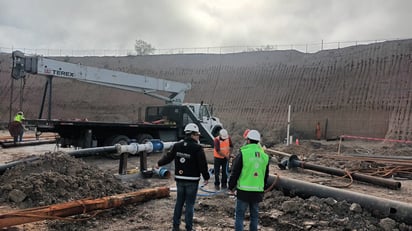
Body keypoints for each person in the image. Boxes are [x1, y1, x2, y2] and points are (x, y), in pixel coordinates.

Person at [157, 123, 210, 231]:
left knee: (179, 203)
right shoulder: (197, 148)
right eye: (197, 135)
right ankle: (189, 228)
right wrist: (206, 177)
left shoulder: (177, 146)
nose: (198, 137)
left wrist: (159, 163)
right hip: (192, 180)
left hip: (180, 179)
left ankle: (175, 227)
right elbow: (202, 164)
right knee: (189, 205)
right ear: (192, 134)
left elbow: (168, 157)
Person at [228, 129, 269, 231]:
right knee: (254, 216)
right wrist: (262, 188)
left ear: (248, 140)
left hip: (243, 191)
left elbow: (235, 172)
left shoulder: (243, 153)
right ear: (258, 141)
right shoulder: (264, 156)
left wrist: (231, 186)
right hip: (257, 191)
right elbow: (265, 175)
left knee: (240, 216)